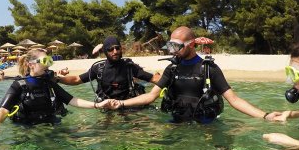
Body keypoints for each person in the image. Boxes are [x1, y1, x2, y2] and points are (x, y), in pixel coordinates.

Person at [109, 26, 280, 123]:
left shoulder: (208, 69)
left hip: (205, 125)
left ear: (191, 44)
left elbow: (234, 100)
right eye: (170, 46)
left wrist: (264, 115)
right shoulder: (172, 69)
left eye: (176, 46)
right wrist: (121, 103)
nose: (172, 51)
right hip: (176, 122)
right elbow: (150, 96)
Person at [0, 49, 110, 130]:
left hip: (50, 125)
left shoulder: (48, 83)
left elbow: (71, 100)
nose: (48, 65)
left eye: (50, 61)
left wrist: (98, 105)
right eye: (45, 61)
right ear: (30, 64)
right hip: (27, 129)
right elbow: (3, 110)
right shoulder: (19, 85)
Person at [58, 36, 161, 102]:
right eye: (110, 49)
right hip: (106, 107)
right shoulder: (98, 68)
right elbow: (76, 79)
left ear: (121, 49)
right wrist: (57, 79)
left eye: (117, 48)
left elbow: (154, 79)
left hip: (129, 106)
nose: (115, 51)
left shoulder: (130, 67)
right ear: (105, 52)